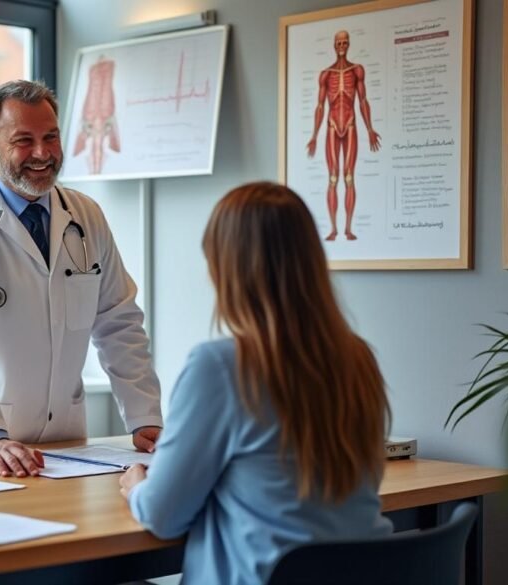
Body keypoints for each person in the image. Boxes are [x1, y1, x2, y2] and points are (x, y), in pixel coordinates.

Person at [119, 182, 392, 584]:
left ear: (227, 269)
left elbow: (163, 515)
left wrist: (138, 483)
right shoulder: (359, 357)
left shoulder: (219, 366)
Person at [0, 80, 162, 478]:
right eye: (24, 140)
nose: (43, 153)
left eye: (51, 137)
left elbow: (120, 323)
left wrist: (145, 416)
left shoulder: (86, 216)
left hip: (65, 444)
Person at [307, 30, 381, 241]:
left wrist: (370, 129)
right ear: (334, 45)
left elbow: (363, 101)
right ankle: (333, 229)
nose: (341, 45)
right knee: (332, 178)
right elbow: (320, 105)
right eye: (338, 42)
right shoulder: (326, 74)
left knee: (349, 177)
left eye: (345, 42)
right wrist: (314, 135)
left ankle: (348, 228)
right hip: (332, 125)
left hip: (350, 125)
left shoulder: (357, 70)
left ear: (348, 45)